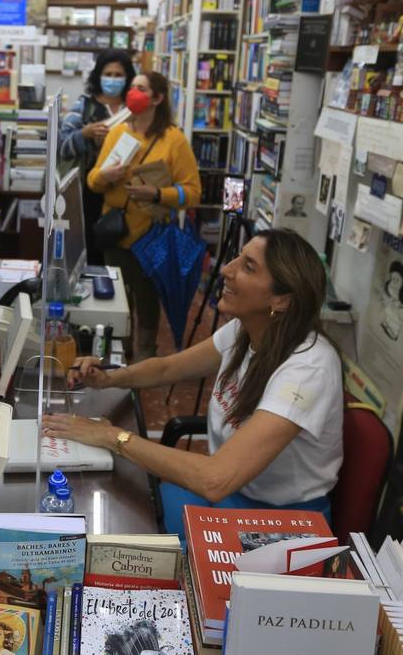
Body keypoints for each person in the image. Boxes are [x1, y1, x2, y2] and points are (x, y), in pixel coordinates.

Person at [43, 229, 343, 538]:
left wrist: (112, 437)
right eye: (237, 258)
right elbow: (166, 368)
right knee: (134, 511)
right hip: (232, 497)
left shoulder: (309, 369)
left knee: (137, 538)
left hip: (280, 523)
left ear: (281, 299)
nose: (226, 270)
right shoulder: (246, 331)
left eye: (248, 267)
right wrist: (107, 379)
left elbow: (214, 479)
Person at [87, 71, 202, 359]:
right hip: (116, 235)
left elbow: (194, 193)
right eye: (133, 87)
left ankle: (144, 361)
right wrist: (105, 175)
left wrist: (158, 194)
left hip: (152, 238)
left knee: (148, 305)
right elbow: (92, 181)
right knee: (117, 304)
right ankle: (117, 361)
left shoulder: (173, 140)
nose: (132, 92)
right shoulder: (118, 133)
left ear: (157, 98)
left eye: (141, 88)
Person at [57, 51, 134, 264]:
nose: (113, 79)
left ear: (128, 77)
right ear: (98, 76)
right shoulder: (84, 106)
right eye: (108, 73)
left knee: (122, 252)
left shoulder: (135, 109)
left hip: (129, 193)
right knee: (92, 248)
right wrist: (85, 134)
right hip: (90, 193)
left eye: (119, 75)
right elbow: (62, 146)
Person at [379, 262, 403, 341]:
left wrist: (388, 307)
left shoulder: (401, 309)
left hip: (392, 332)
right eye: (392, 279)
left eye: (397, 280)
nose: (392, 283)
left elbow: (401, 320)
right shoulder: (391, 300)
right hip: (386, 324)